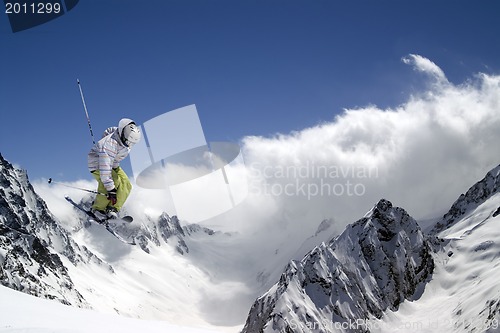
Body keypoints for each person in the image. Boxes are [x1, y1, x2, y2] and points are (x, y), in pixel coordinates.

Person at [87, 118, 141, 220]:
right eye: (127, 141)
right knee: (113, 182)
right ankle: (98, 209)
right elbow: (105, 170)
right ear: (122, 134)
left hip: (112, 164)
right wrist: (111, 190)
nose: (129, 145)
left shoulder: (125, 138)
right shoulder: (110, 145)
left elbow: (109, 131)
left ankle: (112, 209)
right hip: (97, 164)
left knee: (126, 184)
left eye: (131, 143)